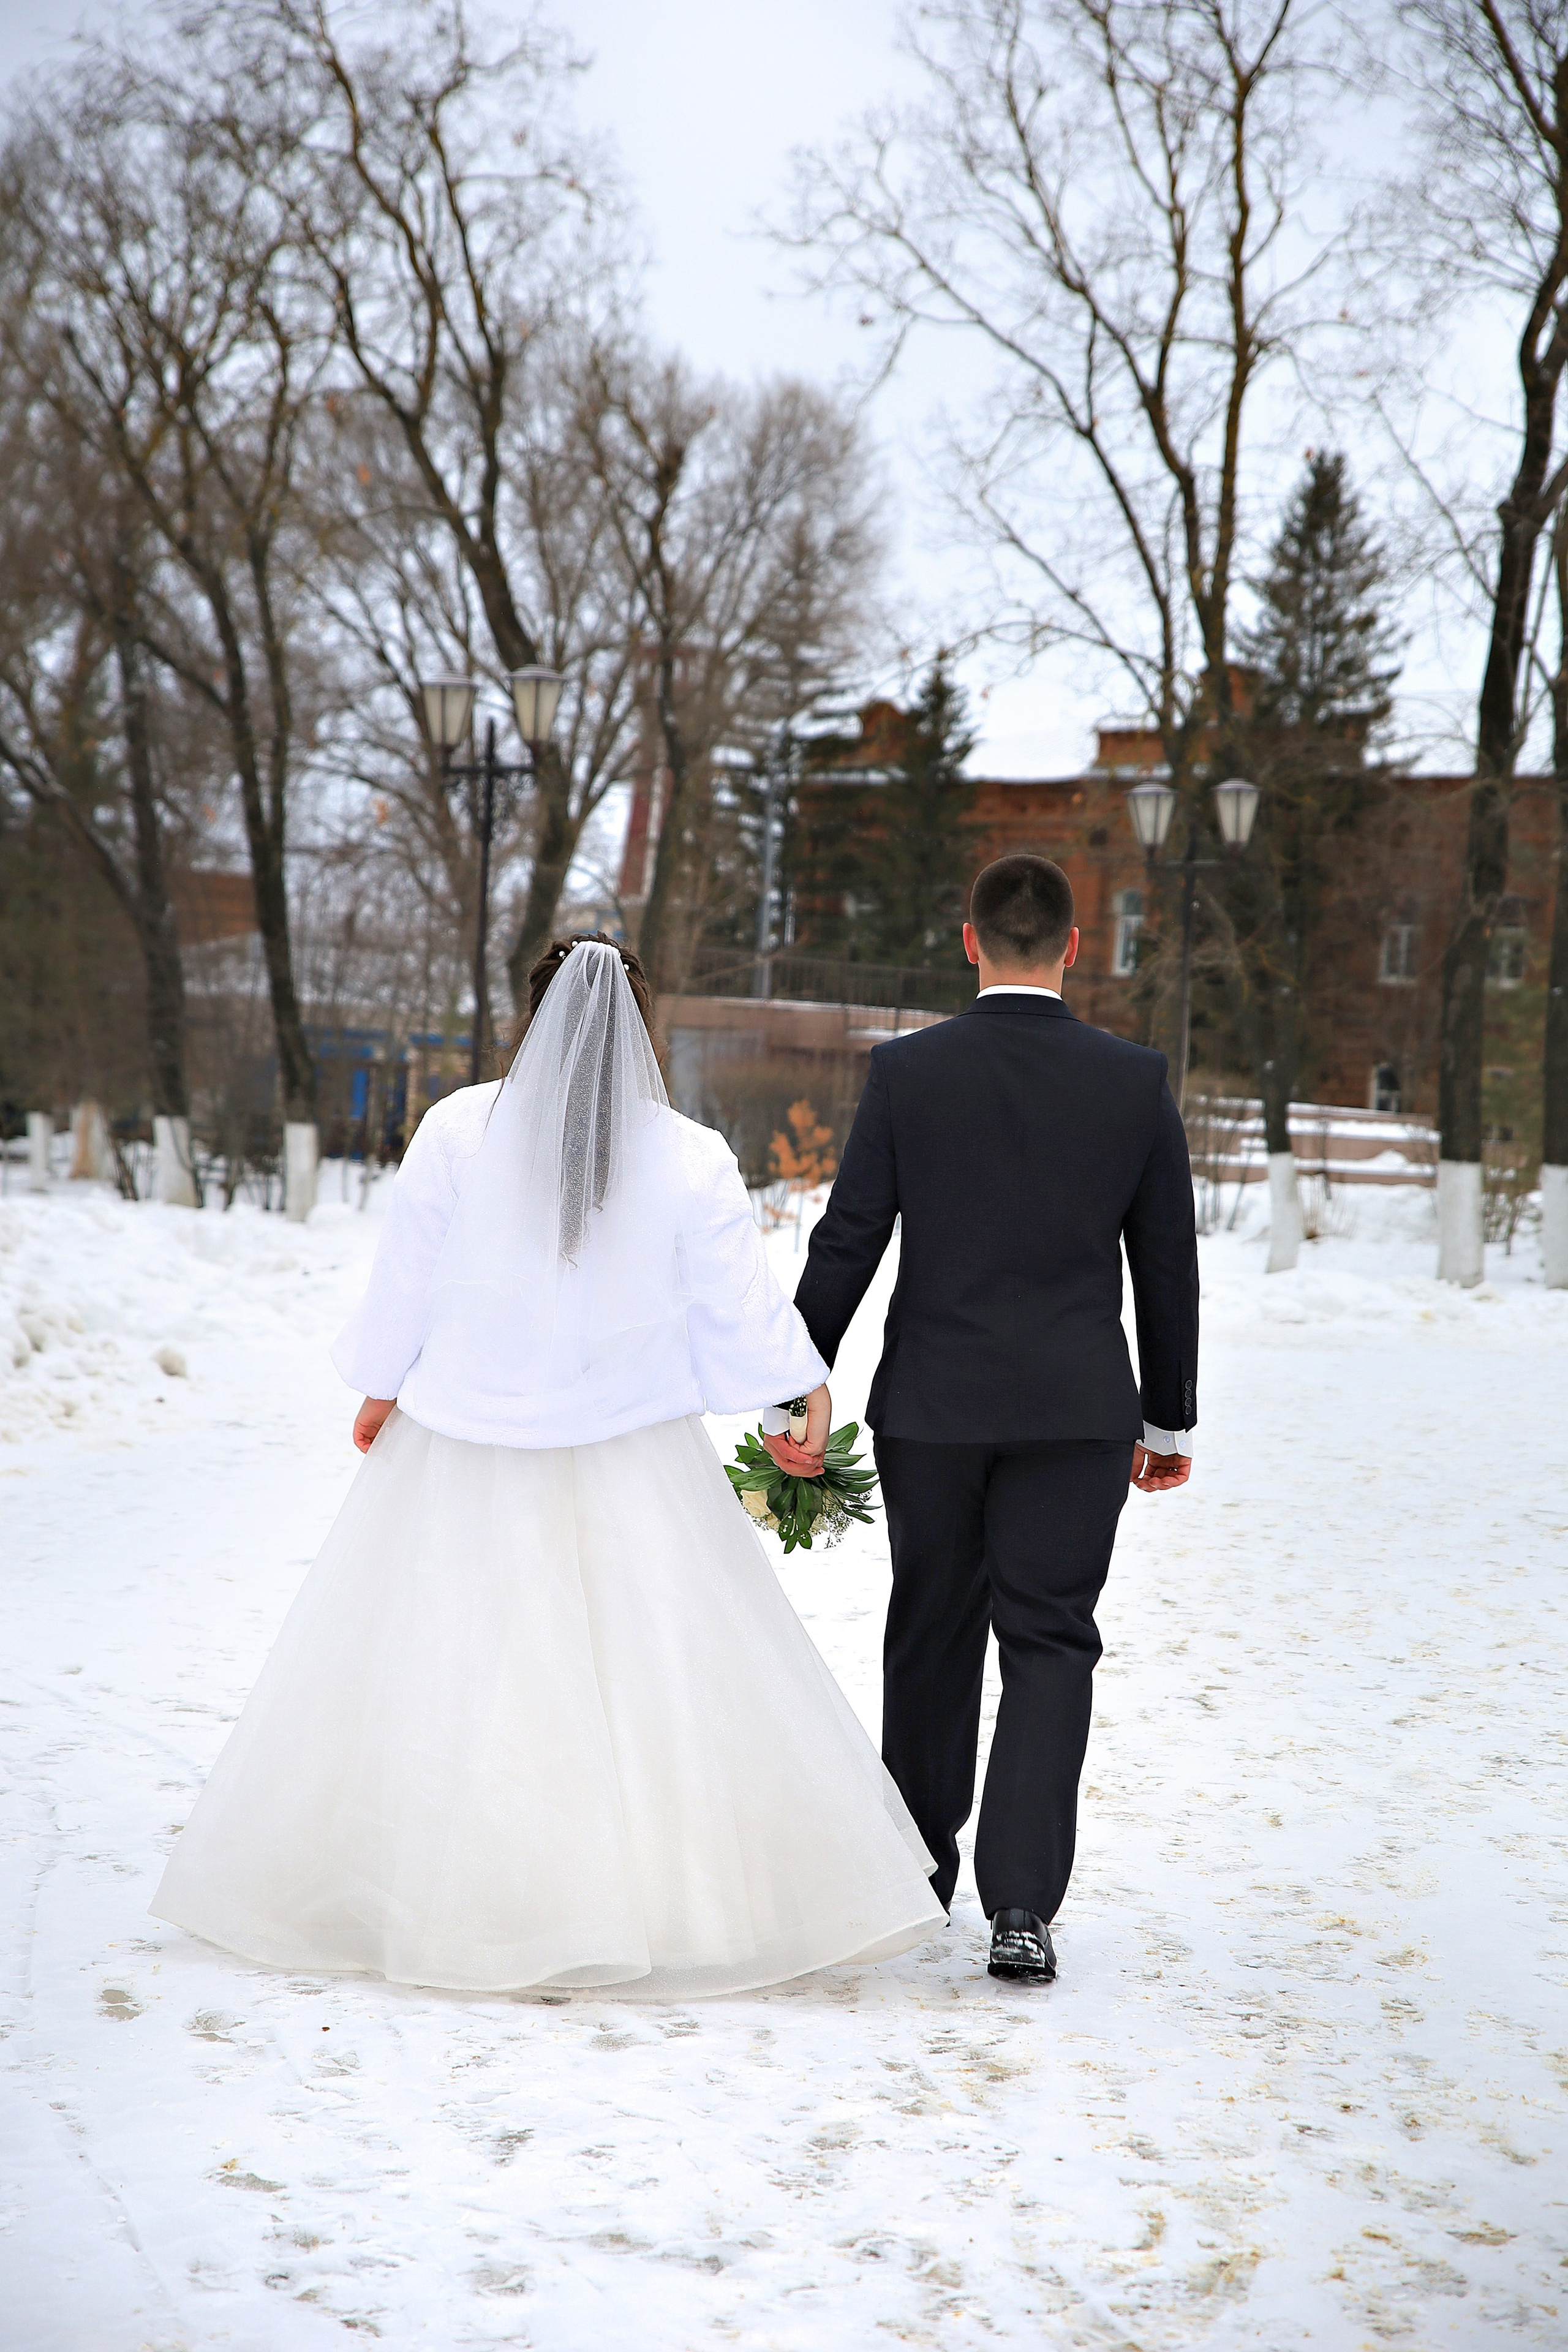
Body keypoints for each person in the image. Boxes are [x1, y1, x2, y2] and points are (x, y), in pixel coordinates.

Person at [151, 936, 944, 1997]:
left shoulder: (454, 1131)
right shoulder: (691, 1153)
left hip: (462, 1449)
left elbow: (410, 1282)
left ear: (531, 1022)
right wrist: (797, 1395)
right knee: (649, 1678)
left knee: (455, 1668)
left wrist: (381, 1385)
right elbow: (734, 1311)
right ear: (641, 1031)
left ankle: (456, 1897)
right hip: (634, 1457)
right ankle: (664, 1907)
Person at [762, 855, 1198, 1986]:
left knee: (935, 1627)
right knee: (1052, 1640)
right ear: (1072, 945)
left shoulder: (910, 1074)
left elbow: (847, 1240)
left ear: (969, 942)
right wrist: (1170, 1422)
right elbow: (1167, 1268)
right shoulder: (1134, 1079)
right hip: (1077, 1413)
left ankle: (915, 1875)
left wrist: (792, 1383)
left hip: (936, 1410)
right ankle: (1022, 1910)